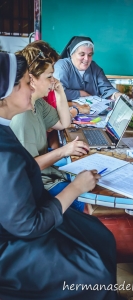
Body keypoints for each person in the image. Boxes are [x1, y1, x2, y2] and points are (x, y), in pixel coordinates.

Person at [0, 52, 117, 299]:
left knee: (100, 234)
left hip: (28, 216)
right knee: (95, 274)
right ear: (4, 94)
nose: (31, 88)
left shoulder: (6, 129)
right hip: (12, 246)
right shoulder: (4, 152)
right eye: (24, 83)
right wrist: (75, 188)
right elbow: (27, 226)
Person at [10, 42, 88, 212]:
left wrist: (60, 91)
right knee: (79, 198)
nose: (54, 81)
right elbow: (30, 168)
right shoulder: (22, 117)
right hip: (38, 181)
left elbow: (63, 123)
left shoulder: (37, 103)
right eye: (49, 76)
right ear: (32, 78)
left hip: (46, 171)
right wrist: (64, 150)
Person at [53, 36, 123, 111]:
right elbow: (57, 92)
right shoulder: (61, 66)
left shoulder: (94, 68)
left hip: (92, 114)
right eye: (82, 54)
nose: (86, 59)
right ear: (71, 54)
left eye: (90, 55)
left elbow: (107, 89)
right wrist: (80, 93)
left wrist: (117, 96)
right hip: (67, 113)